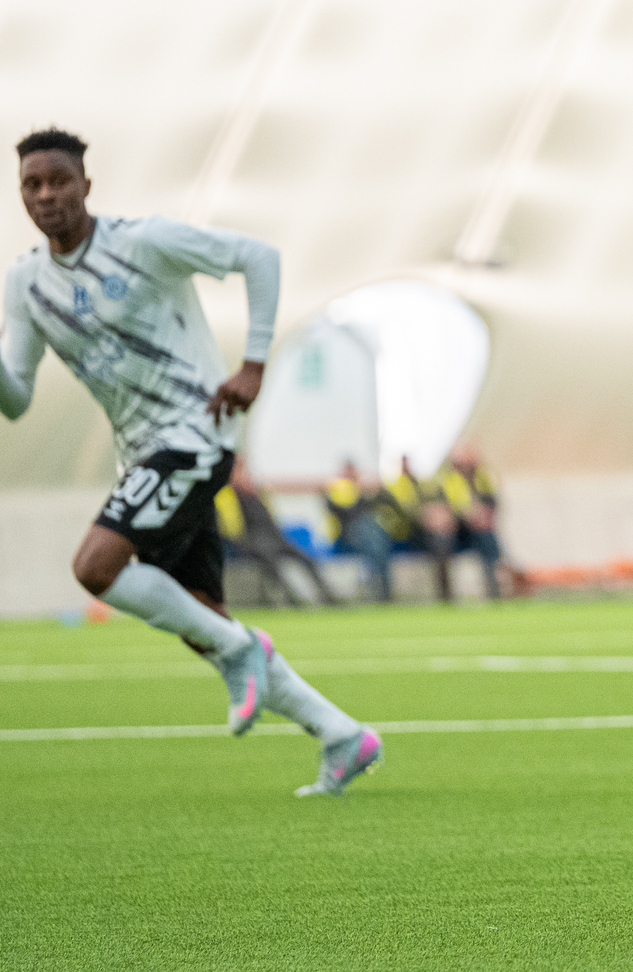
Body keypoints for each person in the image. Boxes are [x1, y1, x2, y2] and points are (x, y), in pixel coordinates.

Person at [0, 127, 381, 795]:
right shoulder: (26, 283)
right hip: (142, 456)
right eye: (32, 184)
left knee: (96, 567)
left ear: (86, 185)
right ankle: (341, 734)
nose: (46, 194)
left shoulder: (143, 242)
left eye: (59, 180)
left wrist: (254, 363)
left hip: (196, 433)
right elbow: (17, 397)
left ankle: (243, 653)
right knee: (198, 614)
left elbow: (258, 257)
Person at [217, 460, 339, 607]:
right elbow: (233, 529)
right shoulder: (230, 497)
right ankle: (291, 597)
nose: (247, 479)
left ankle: (328, 595)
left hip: (276, 539)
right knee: (271, 562)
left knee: (306, 558)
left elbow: (272, 520)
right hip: (253, 542)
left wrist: (262, 493)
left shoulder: (259, 496)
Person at [417, 442, 513, 600]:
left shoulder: (483, 476)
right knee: (441, 542)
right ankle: (446, 597)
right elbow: (436, 508)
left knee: (488, 540)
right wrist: (456, 515)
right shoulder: (444, 478)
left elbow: (492, 501)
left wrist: (483, 516)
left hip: (475, 527)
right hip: (453, 527)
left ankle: (495, 592)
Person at [323, 460, 396, 602]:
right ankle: (379, 591)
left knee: (378, 542)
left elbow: (373, 506)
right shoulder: (335, 489)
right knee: (371, 538)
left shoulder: (360, 491)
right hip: (348, 536)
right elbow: (346, 512)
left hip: (368, 537)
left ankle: (384, 593)